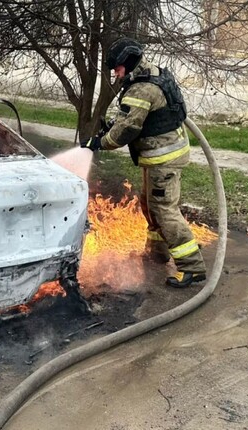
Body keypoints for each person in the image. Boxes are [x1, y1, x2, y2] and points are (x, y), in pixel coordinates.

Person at [81, 37, 206, 288]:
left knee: (165, 210)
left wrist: (99, 143)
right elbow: (132, 118)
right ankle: (157, 252)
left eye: (116, 68)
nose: (115, 73)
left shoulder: (141, 89)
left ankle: (192, 267)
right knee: (151, 205)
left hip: (164, 159)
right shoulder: (151, 74)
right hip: (159, 156)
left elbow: (127, 130)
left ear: (127, 62)